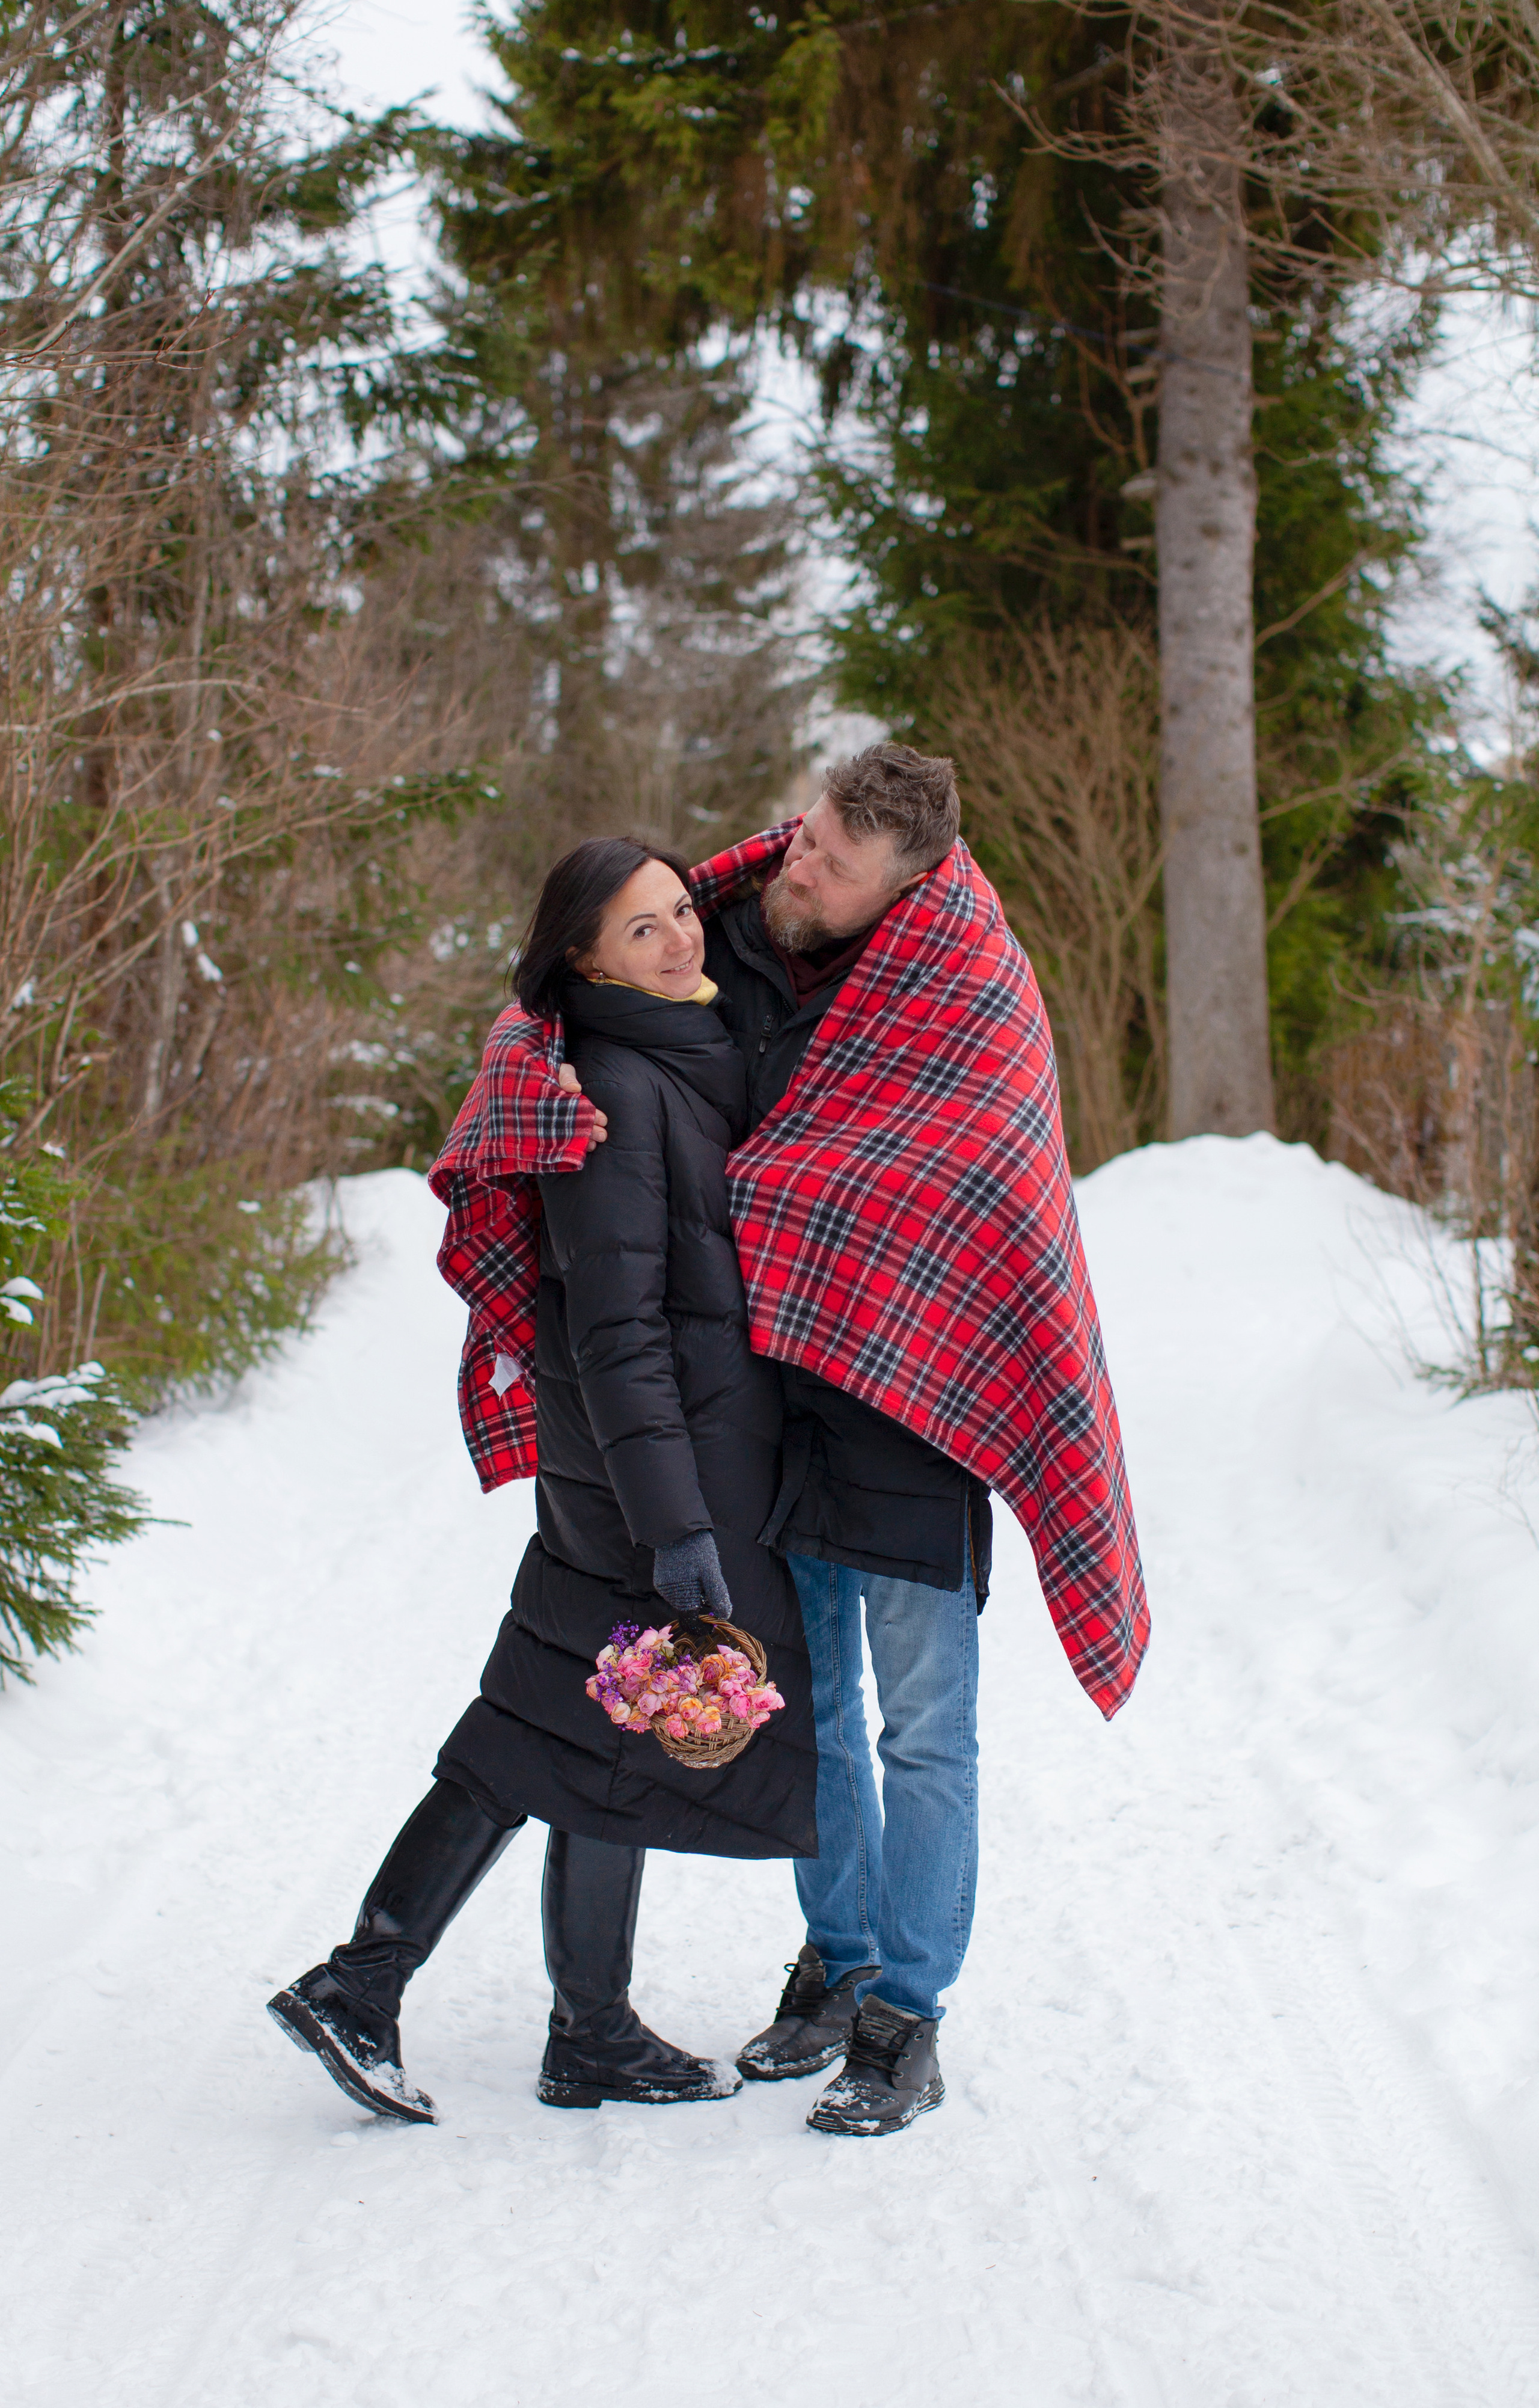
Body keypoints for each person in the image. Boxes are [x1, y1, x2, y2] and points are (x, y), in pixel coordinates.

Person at [433, 744, 1150, 2140]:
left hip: (912, 1414)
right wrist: (525, 1086)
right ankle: (837, 1961)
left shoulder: (968, 994)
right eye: (805, 835)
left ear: (908, 886)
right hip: (770, 1418)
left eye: (827, 863)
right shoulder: (748, 925)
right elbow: (577, 994)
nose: (791, 868)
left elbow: (978, 1207)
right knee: (810, 1713)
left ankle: (906, 2011)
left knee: (925, 1727)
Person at [269, 839, 816, 2125]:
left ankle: (583, 2027)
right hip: (642, 1479)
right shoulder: (618, 1094)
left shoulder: (686, 1055)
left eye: (683, 910)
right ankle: (369, 1982)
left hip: (645, 1470)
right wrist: (676, 1527)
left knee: (591, 1734)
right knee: (548, 1729)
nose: (681, 940)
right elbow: (616, 1332)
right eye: (642, 931)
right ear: (583, 958)